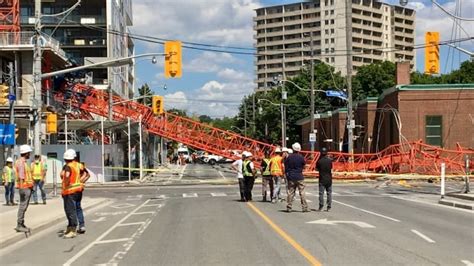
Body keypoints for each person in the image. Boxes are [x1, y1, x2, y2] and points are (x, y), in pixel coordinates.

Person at [60, 149, 84, 238]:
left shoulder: (68, 166)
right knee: (75, 209)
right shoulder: (77, 165)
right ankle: (72, 227)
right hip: (77, 190)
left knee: (70, 211)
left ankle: (72, 229)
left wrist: (65, 184)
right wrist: (82, 182)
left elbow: (66, 176)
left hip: (69, 191)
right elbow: (85, 174)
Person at [14, 145, 34, 232]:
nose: (29, 154)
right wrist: (22, 188)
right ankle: (19, 224)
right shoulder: (22, 163)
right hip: (25, 188)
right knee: (23, 206)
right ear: (26, 153)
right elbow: (22, 176)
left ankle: (21, 223)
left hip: (26, 187)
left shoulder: (20, 162)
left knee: (23, 206)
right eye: (29, 153)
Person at [284, 143, 309, 213]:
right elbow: (304, 165)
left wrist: (287, 175)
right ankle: (304, 207)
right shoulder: (301, 157)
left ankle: (289, 207)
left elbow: (286, 167)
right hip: (299, 176)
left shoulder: (289, 157)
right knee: (302, 192)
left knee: (290, 192)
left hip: (291, 177)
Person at [76, 161, 90, 234]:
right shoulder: (80, 167)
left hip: (73, 190)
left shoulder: (75, 167)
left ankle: (73, 226)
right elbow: (88, 175)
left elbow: (87, 175)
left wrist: (81, 180)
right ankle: (81, 225)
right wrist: (83, 182)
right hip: (79, 189)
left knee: (74, 208)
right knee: (78, 207)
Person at [316, 147, 333, 211]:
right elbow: (331, 168)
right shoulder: (329, 161)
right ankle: (329, 206)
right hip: (329, 179)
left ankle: (321, 205)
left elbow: (317, 169)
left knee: (321, 193)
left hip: (322, 178)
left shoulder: (319, 161)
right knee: (329, 193)